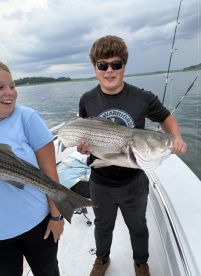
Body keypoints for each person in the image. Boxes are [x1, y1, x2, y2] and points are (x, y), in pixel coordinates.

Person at [77, 35, 187, 276]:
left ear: (124, 66)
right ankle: (102, 260)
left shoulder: (143, 97)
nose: (109, 71)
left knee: (138, 227)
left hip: (133, 182)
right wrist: (82, 147)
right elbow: (84, 135)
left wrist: (176, 137)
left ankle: (140, 263)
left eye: (116, 64)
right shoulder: (87, 100)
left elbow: (166, 118)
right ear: (94, 67)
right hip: (100, 182)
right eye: (102, 65)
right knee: (102, 226)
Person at [0, 61, 64, 276]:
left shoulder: (27, 117)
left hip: (38, 225)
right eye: (0, 87)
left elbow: (49, 172)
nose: (10, 93)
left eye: (12, 86)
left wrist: (56, 217)